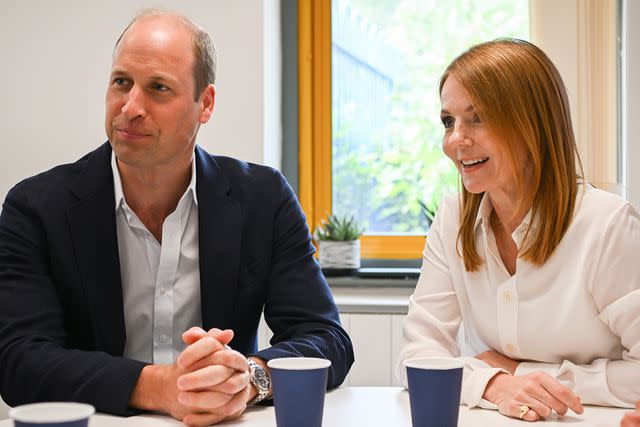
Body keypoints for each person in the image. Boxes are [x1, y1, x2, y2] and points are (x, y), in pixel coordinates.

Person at [0, 10, 353, 426]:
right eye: (121, 83)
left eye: (158, 88)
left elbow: (327, 339)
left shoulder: (263, 198)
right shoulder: (36, 207)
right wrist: (161, 386)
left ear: (205, 104)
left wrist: (251, 379)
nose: (131, 107)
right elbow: (19, 360)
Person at [397, 38, 640, 422]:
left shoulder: (607, 226)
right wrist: (494, 384)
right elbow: (418, 357)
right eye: (448, 121)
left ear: (533, 124)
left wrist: (518, 372)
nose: (455, 139)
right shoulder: (452, 217)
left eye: (478, 117)